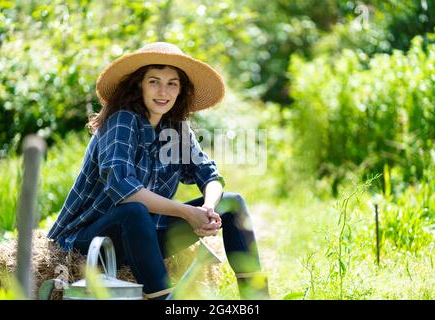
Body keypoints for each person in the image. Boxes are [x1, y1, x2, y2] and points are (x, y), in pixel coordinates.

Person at [47, 42, 269, 300]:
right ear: (138, 84)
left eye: (172, 83)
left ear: (180, 90)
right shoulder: (122, 120)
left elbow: (210, 175)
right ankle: (164, 300)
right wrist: (187, 212)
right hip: (87, 242)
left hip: (144, 237)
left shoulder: (175, 127)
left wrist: (207, 207)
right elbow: (124, 190)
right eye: (154, 81)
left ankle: (257, 299)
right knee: (134, 210)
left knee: (231, 203)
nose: (163, 91)